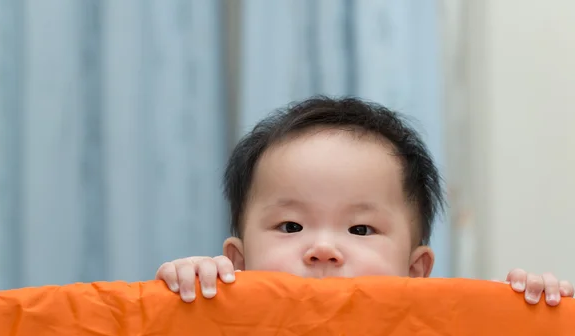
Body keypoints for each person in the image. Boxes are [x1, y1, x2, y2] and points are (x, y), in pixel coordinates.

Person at [155, 96, 574, 305]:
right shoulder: (218, 316)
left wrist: (530, 315)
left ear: (415, 270)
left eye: (360, 229)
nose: (323, 250)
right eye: (290, 227)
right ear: (238, 262)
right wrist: (190, 294)